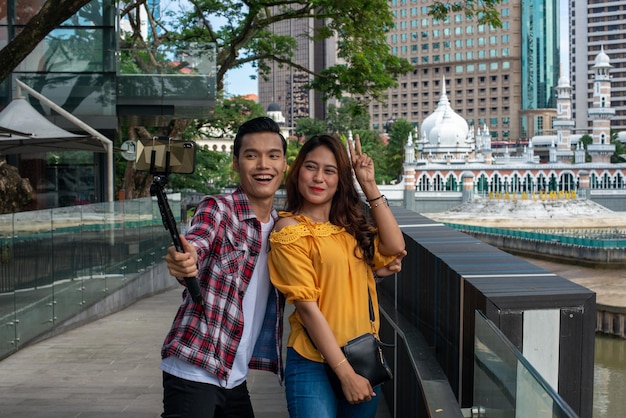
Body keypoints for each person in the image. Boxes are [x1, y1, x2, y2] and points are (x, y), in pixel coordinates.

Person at [268, 134, 407, 418]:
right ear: (297, 173)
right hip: (313, 361)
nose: (319, 177)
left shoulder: (348, 228)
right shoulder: (289, 229)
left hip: (363, 356)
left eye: (329, 171)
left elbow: (395, 248)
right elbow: (307, 308)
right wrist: (345, 375)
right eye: (311, 167)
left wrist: (368, 184)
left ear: (340, 179)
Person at [160, 116, 287, 418]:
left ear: (284, 164)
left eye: (273, 155)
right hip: (195, 367)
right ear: (236, 163)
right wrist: (186, 258)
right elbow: (198, 241)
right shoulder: (218, 209)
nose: (263, 165)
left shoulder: (283, 227)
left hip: (233, 374)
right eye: (251, 155)